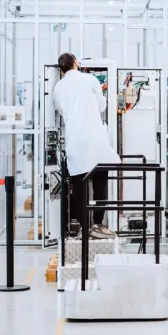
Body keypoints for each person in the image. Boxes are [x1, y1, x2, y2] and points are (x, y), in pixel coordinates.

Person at [52, 53, 119, 240]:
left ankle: (83, 227)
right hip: (95, 139)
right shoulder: (90, 79)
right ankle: (97, 225)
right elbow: (102, 107)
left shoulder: (58, 88)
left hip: (75, 142)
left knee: (78, 187)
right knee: (100, 183)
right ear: (76, 63)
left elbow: (62, 111)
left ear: (61, 69)